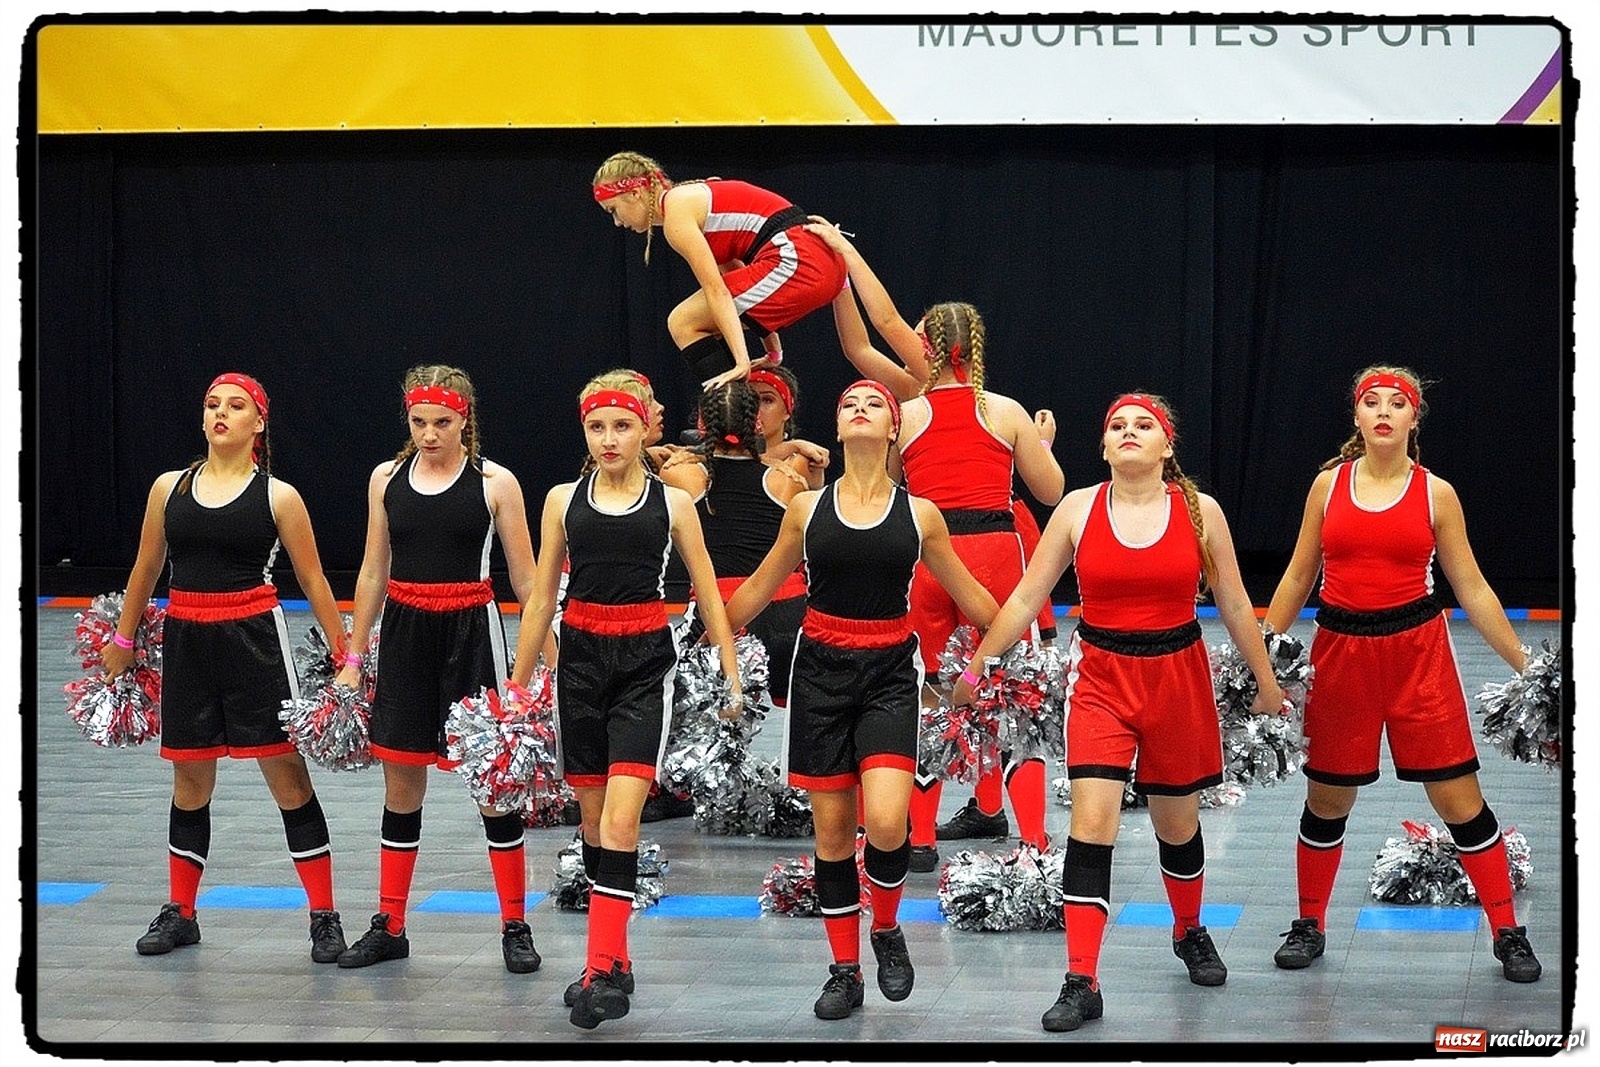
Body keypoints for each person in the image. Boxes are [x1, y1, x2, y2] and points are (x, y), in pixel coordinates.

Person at [951, 391, 1286, 1033]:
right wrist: (976, 666)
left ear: (1167, 445)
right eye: (1116, 425)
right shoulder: (1078, 509)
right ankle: (1082, 979)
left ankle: (1189, 930)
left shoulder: (1200, 512)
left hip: (1177, 678)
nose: (1129, 432)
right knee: (1092, 823)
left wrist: (1267, 685)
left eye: (1144, 424)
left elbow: (1238, 605)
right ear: (1103, 447)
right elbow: (1024, 598)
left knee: (1176, 826)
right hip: (1101, 678)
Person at [725, 380, 1000, 1021]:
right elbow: (759, 589)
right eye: (848, 403)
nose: (858, 410)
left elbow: (975, 599)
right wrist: (702, 639)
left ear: (894, 428)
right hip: (819, 669)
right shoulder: (805, 508)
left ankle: (886, 928)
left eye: (873, 403)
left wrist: (1012, 642)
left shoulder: (921, 514)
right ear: (838, 427)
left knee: (884, 822)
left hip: (888, 671)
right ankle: (844, 969)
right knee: (830, 833)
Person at [1263, 366, 1541, 983]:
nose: (1384, 410)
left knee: (1458, 799)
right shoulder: (1327, 487)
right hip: (1340, 655)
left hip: (1419, 655)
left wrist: (1529, 667)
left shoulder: (1436, 493)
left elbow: (1471, 587)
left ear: (1414, 420)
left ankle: (1508, 932)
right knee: (1327, 798)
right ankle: (1310, 923)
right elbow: (1296, 576)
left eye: (1398, 403)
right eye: (1371, 401)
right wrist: (1261, 660)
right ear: (1356, 417)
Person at [809, 220, 1064, 870]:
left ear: (923, 344)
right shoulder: (1004, 409)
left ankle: (916, 837)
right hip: (996, 559)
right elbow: (1051, 488)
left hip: (924, 560)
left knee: (919, 689)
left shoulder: (907, 411)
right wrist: (1042, 441)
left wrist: (840, 264)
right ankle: (1032, 844)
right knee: (1011, 688)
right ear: (973, 350)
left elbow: (865, 337)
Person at [509, 373, 742, 1030]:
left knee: (620, 823)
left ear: (645, 428)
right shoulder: (561, 499)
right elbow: (537, 601)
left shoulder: (674, 504)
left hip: (644, 665)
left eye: (621, 425)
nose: (609, 438)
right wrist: (517, 685)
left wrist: (728, 666)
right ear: (585, 433)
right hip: (578, 667)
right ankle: (611, 959)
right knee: (591, 827)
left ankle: (602, 969)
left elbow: (709, 591)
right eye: (597, 426)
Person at [103, 372, 350, 963]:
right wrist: (123, 636)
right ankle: (181, 912)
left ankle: (323, 916)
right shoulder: (170, 488)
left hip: (254, 642)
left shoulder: (279, 496)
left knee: (288, 781)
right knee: (190, 783)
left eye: (236, 406)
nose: (220, 414)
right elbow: (146, 567)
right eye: (213, 404)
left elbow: (313, 579)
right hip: (187, 641)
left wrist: (349, 656)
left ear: (258, 423)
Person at [331, 365, 542, 975]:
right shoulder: (385, 479)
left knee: (491, 789)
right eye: (419, 421)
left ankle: (514, 925)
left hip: (472, 635)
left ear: (464, 419)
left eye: (442, 422)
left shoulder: (496, 483)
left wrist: (543, 665)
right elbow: (372, 572)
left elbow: (527, 581)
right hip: (403, 635)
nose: (429, 433)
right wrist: (352, 658)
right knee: (401, 786)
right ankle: (390, 925)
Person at [592, 151, 847, 391]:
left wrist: (741, 362)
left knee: (683, 322)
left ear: (636, 193)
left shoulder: (677, 215)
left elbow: (718, 291)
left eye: (613, 210)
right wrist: (773, 352)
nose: (617, 221)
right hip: (821, 261)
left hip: (801, 262)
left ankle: (733, 422)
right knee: (704, 320)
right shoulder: (693, 199)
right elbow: (738, 280)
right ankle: (735, 417)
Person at [661, 379, 817, 705]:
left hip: (722, 610)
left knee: (709, 731)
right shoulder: (787, 478)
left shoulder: (681, 475)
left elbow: (647, 460)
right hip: (788, 609)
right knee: (804, 721)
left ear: (703, 424)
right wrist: (787, 450)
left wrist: (687, 453)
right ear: (756, 421)